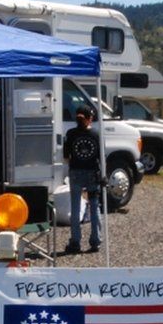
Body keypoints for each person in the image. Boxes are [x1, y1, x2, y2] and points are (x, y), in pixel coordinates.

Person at [63, 105, 102, 254]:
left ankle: (75, 242)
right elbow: (101, 157)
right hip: (92, 173)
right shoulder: (96, 134)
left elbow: (66, 157)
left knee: (75, 207)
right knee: (94, 206)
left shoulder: (71, 133)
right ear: (90, 118)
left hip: (76, 173)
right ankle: (95, 241)